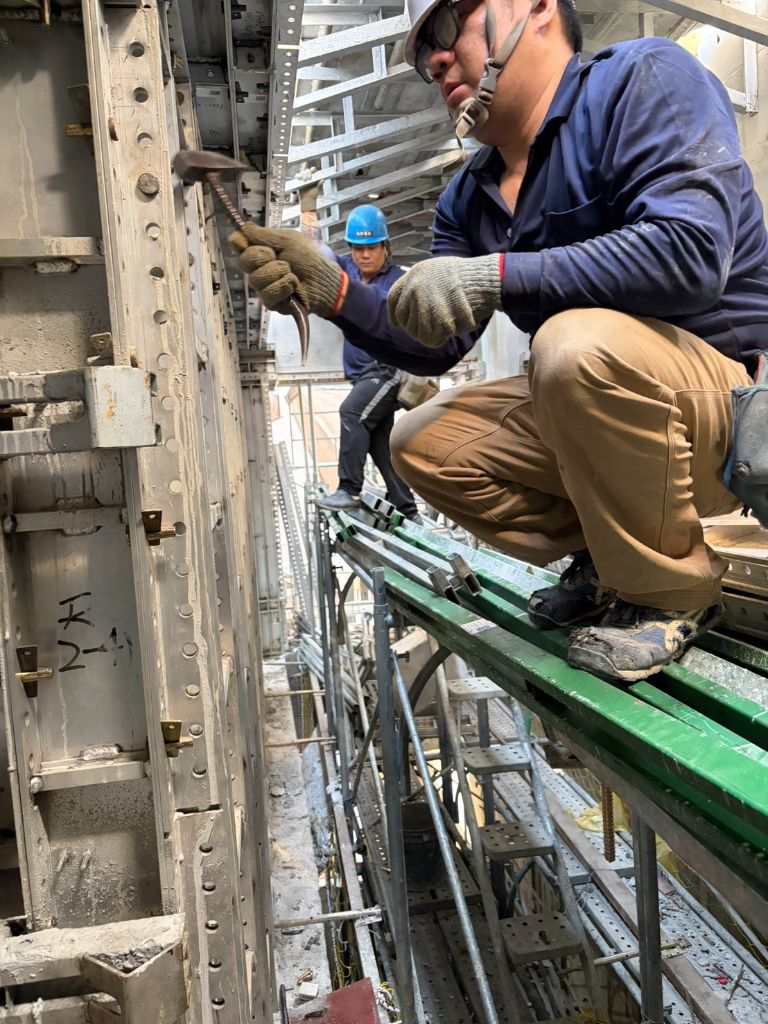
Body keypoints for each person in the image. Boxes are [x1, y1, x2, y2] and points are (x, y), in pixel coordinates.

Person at [233, 0, 768, 682]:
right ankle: (612, 556)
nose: (434, 58)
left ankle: (670, 593)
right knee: (424, 442)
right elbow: (436, 343)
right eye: (424, 47)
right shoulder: (470, 196)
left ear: (537, 9)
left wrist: (495, 274)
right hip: (609, 419)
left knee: (573, 346)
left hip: (726, 412)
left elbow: (689, 254)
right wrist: (337, 296)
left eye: (451, 27)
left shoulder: (643, 79)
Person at [311, 206, 419, 518]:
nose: (365, 256)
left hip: (388, 370)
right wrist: (309, 221)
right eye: (358, 249)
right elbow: (323, 255)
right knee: (378, 444)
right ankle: (407, 508)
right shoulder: (350, 272)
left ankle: (349, 490)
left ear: (386, 247)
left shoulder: (397, 283)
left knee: (352, 412)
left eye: (371, 248)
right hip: (365, 376)